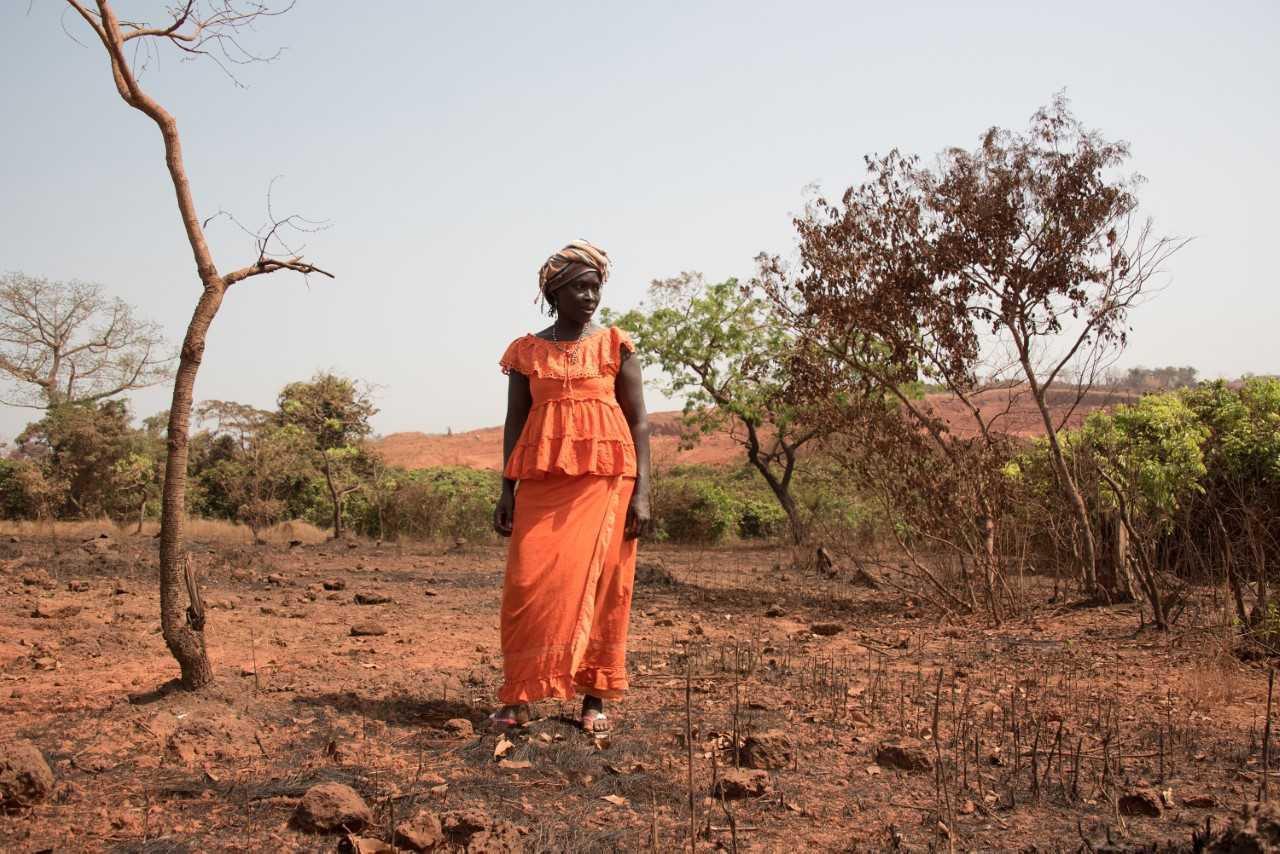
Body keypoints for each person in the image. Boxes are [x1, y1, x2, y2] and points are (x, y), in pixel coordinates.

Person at [490, 239, 653, 737]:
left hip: (608, 480)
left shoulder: (615, 345)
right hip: (542, 478)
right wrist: (506, 489)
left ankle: (595, 696)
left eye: (595, 287)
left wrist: (644, 491)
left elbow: (640, 422)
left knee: (605, 585)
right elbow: (515, 421)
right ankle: (521, 693)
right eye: (579, 287)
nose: (590, 296)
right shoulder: (526, 352)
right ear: (554, 293)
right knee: (527, 582)